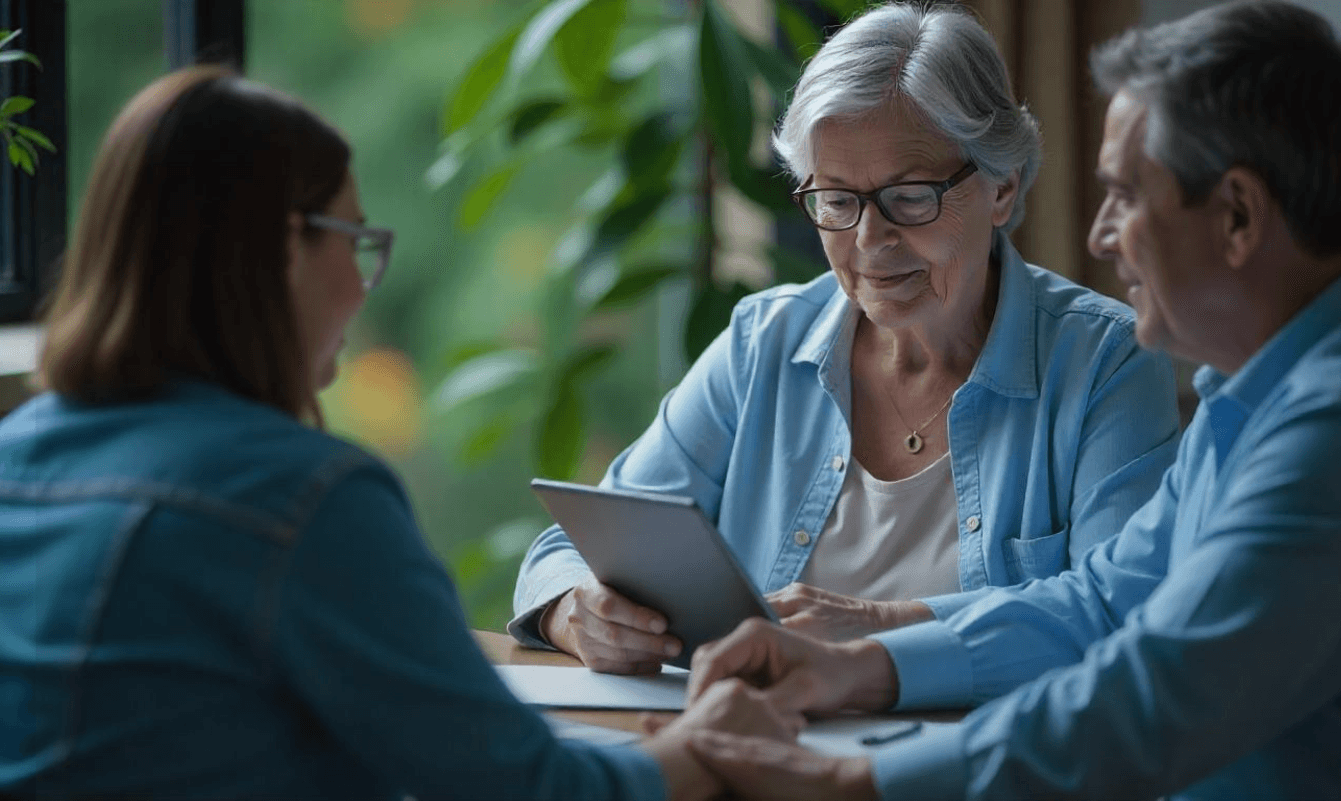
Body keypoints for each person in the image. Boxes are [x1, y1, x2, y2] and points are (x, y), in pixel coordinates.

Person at [0, 65, 802, 800]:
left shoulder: (20, 449)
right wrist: (704, 746)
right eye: (354, 241)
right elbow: (531, 789)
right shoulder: (302, 499)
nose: (359, 279)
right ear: (285, 246)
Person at [682, 2, 1341, 799]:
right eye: (835, 198)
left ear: (1235, 216)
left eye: (1127, 196)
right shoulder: (1247, 398)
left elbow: (1149, 692)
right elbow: (1100, 601)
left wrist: (849, 782)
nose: (1099, 235)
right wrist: (861, 664)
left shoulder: (1322, 430)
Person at [511, 1, 1180, 674]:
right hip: (760, 754)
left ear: (1000, 187)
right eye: (835, 199)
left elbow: (1117, 610)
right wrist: (575, 611)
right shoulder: (761, 344)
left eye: (910, 196)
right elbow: (570, 547)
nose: (869, 242)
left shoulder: (1104, 361)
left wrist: (877, 628)